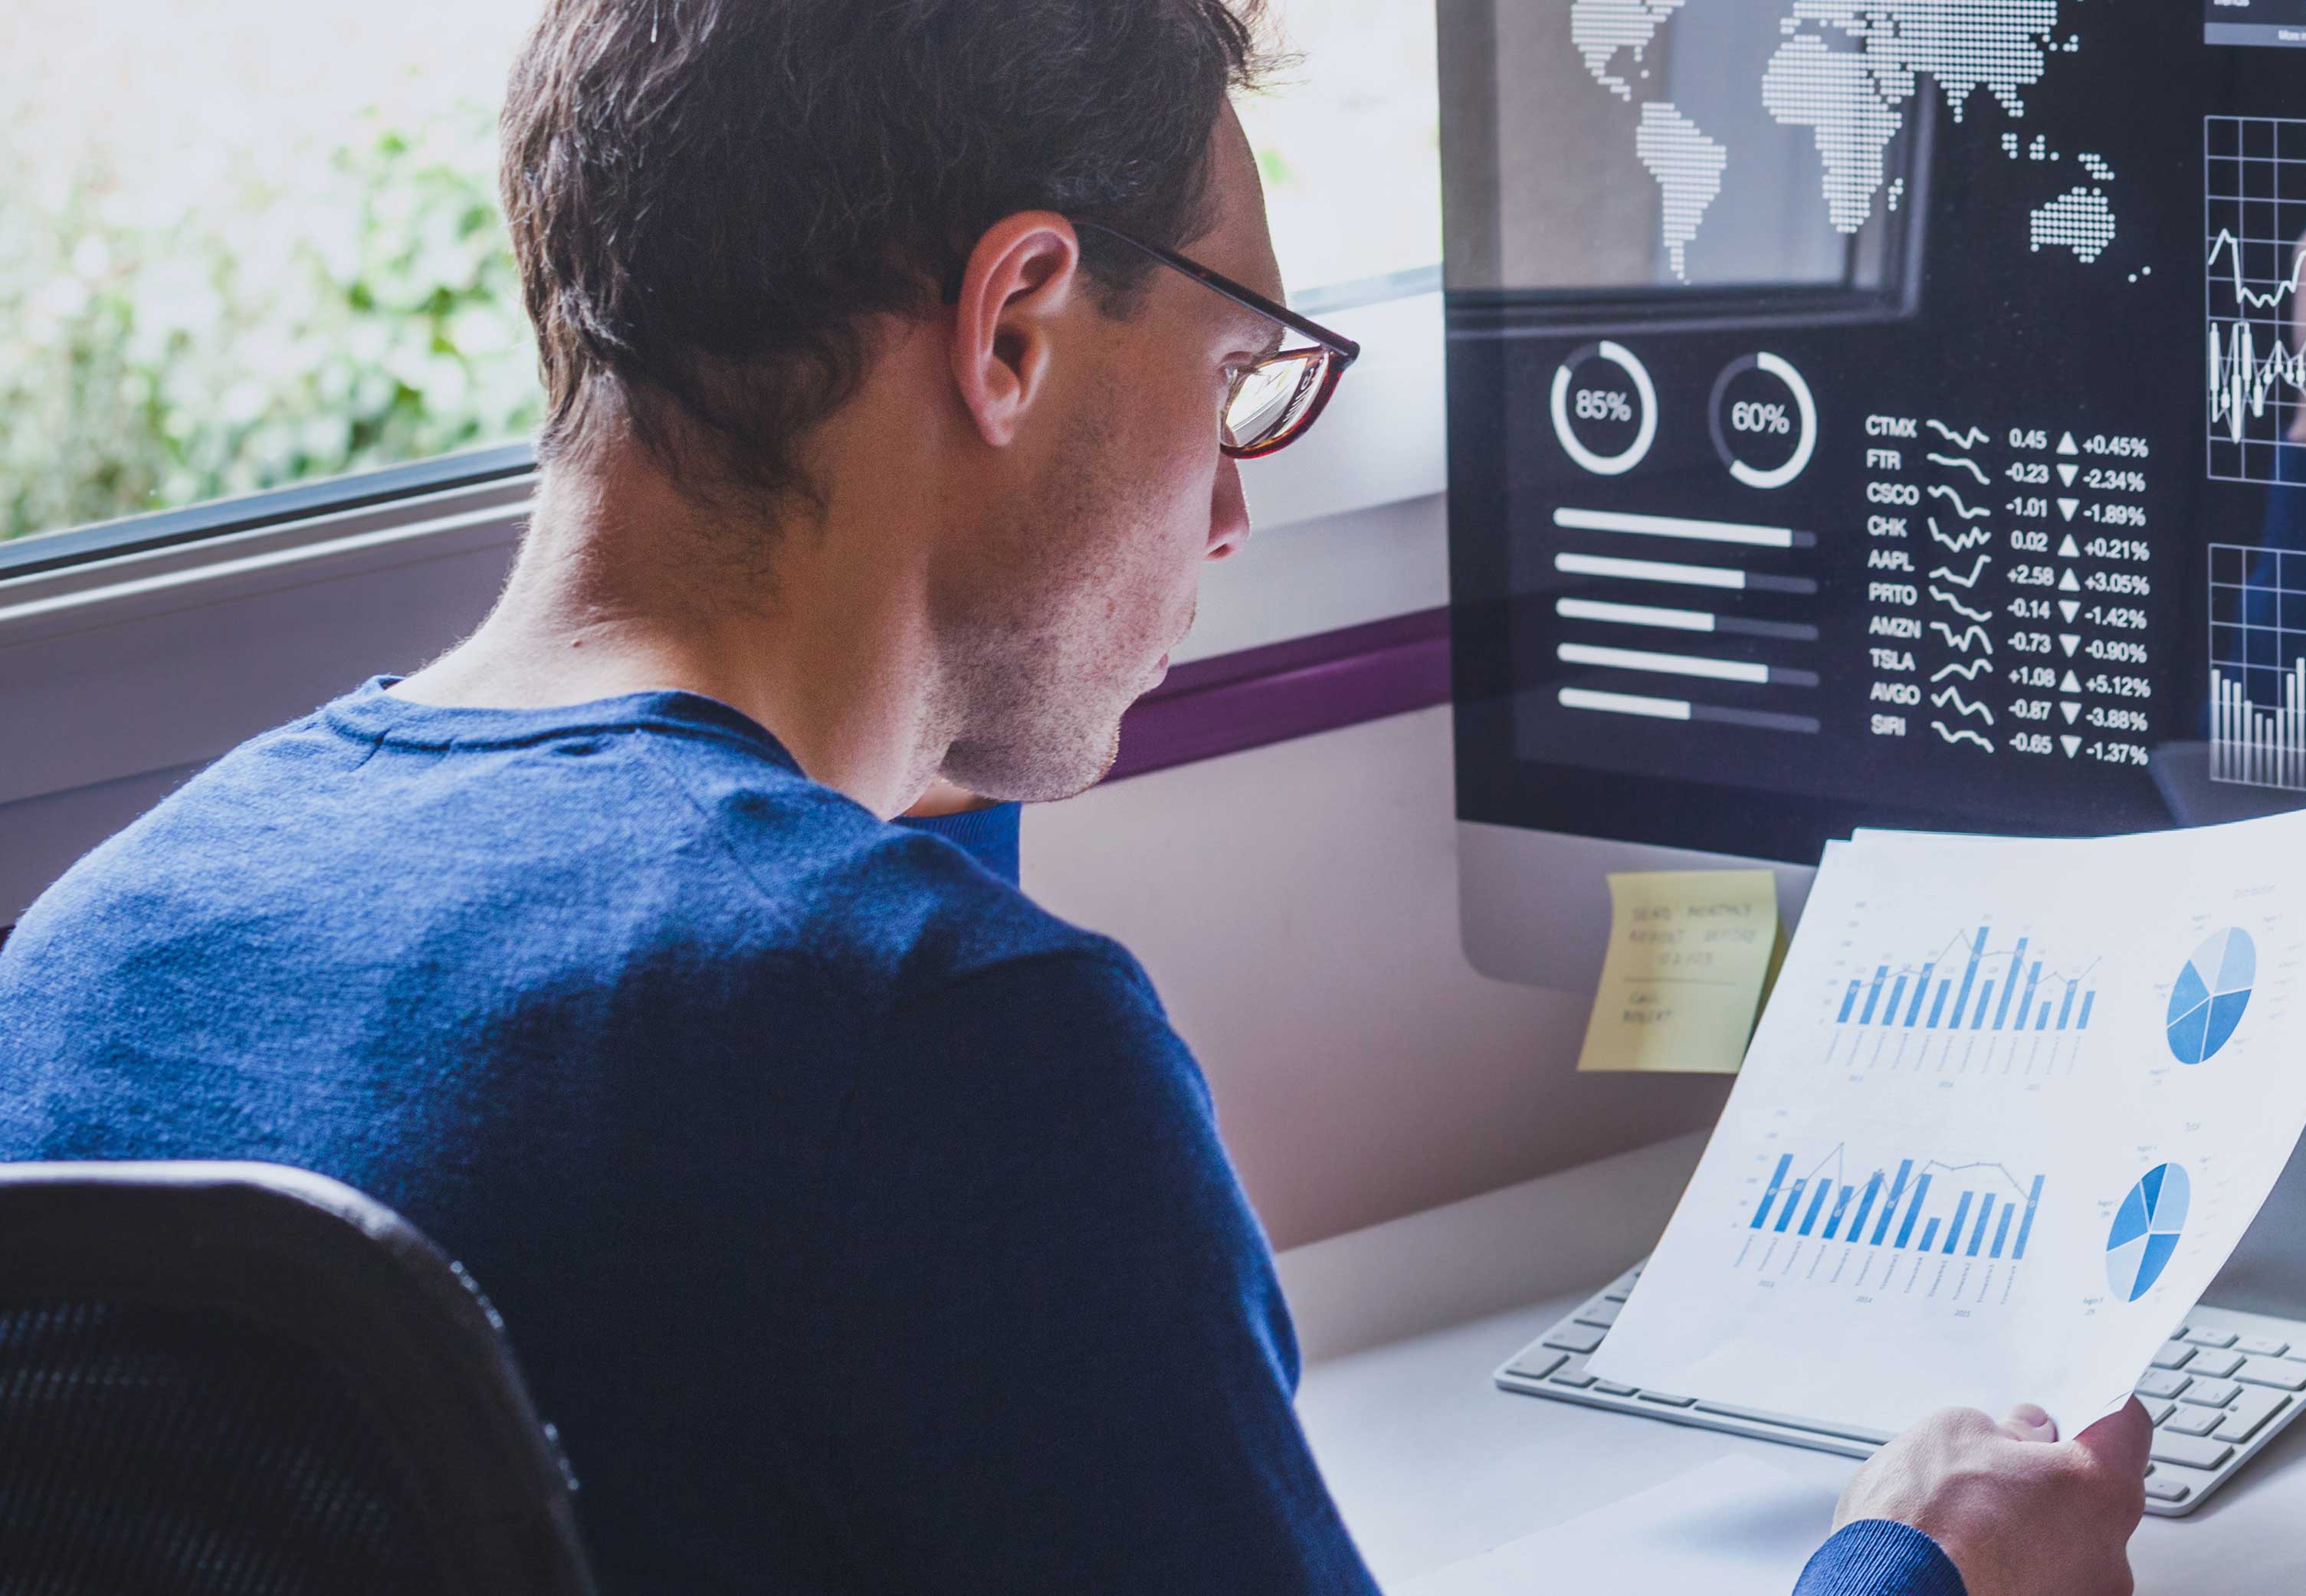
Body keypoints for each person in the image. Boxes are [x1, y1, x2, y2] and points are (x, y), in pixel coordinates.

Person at [0, 2, 2148, 1592]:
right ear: (1014, 323)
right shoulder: (944, 1059)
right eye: (1237, 374)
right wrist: (1917, 1565)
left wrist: (929, 692)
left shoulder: (89, 958)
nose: (1230, 503)